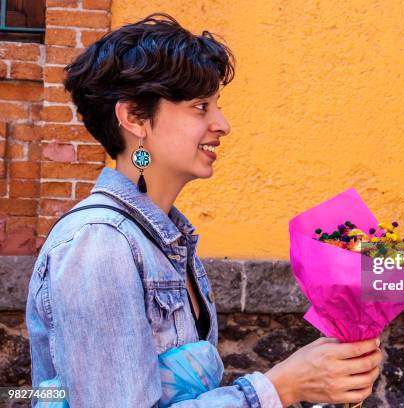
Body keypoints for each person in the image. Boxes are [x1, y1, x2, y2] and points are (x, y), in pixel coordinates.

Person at [25, 12, 383, 408]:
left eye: (217, 105)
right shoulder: (99, 244)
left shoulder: (170, 243)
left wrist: (322, 379)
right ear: (134, 118)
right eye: (200, 107)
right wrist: (278, 388)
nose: (222, 124)